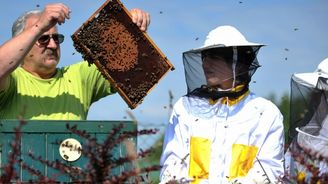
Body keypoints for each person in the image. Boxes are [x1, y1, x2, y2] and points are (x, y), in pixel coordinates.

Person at [160, 25, 285, 183]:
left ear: (238, 63)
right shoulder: (186, 108)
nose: (206, 64)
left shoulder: (265, 114)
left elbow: (270, 172)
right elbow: (171, 168)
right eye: (204, 57)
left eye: (214, 57)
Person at [0, 3, 150, 120]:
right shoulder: (12, 81)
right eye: (43, 38)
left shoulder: (78, 76)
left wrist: (129, 26)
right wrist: (39, 26)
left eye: (56, 38)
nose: (53, 45)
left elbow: (131, 64)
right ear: (24, 42)